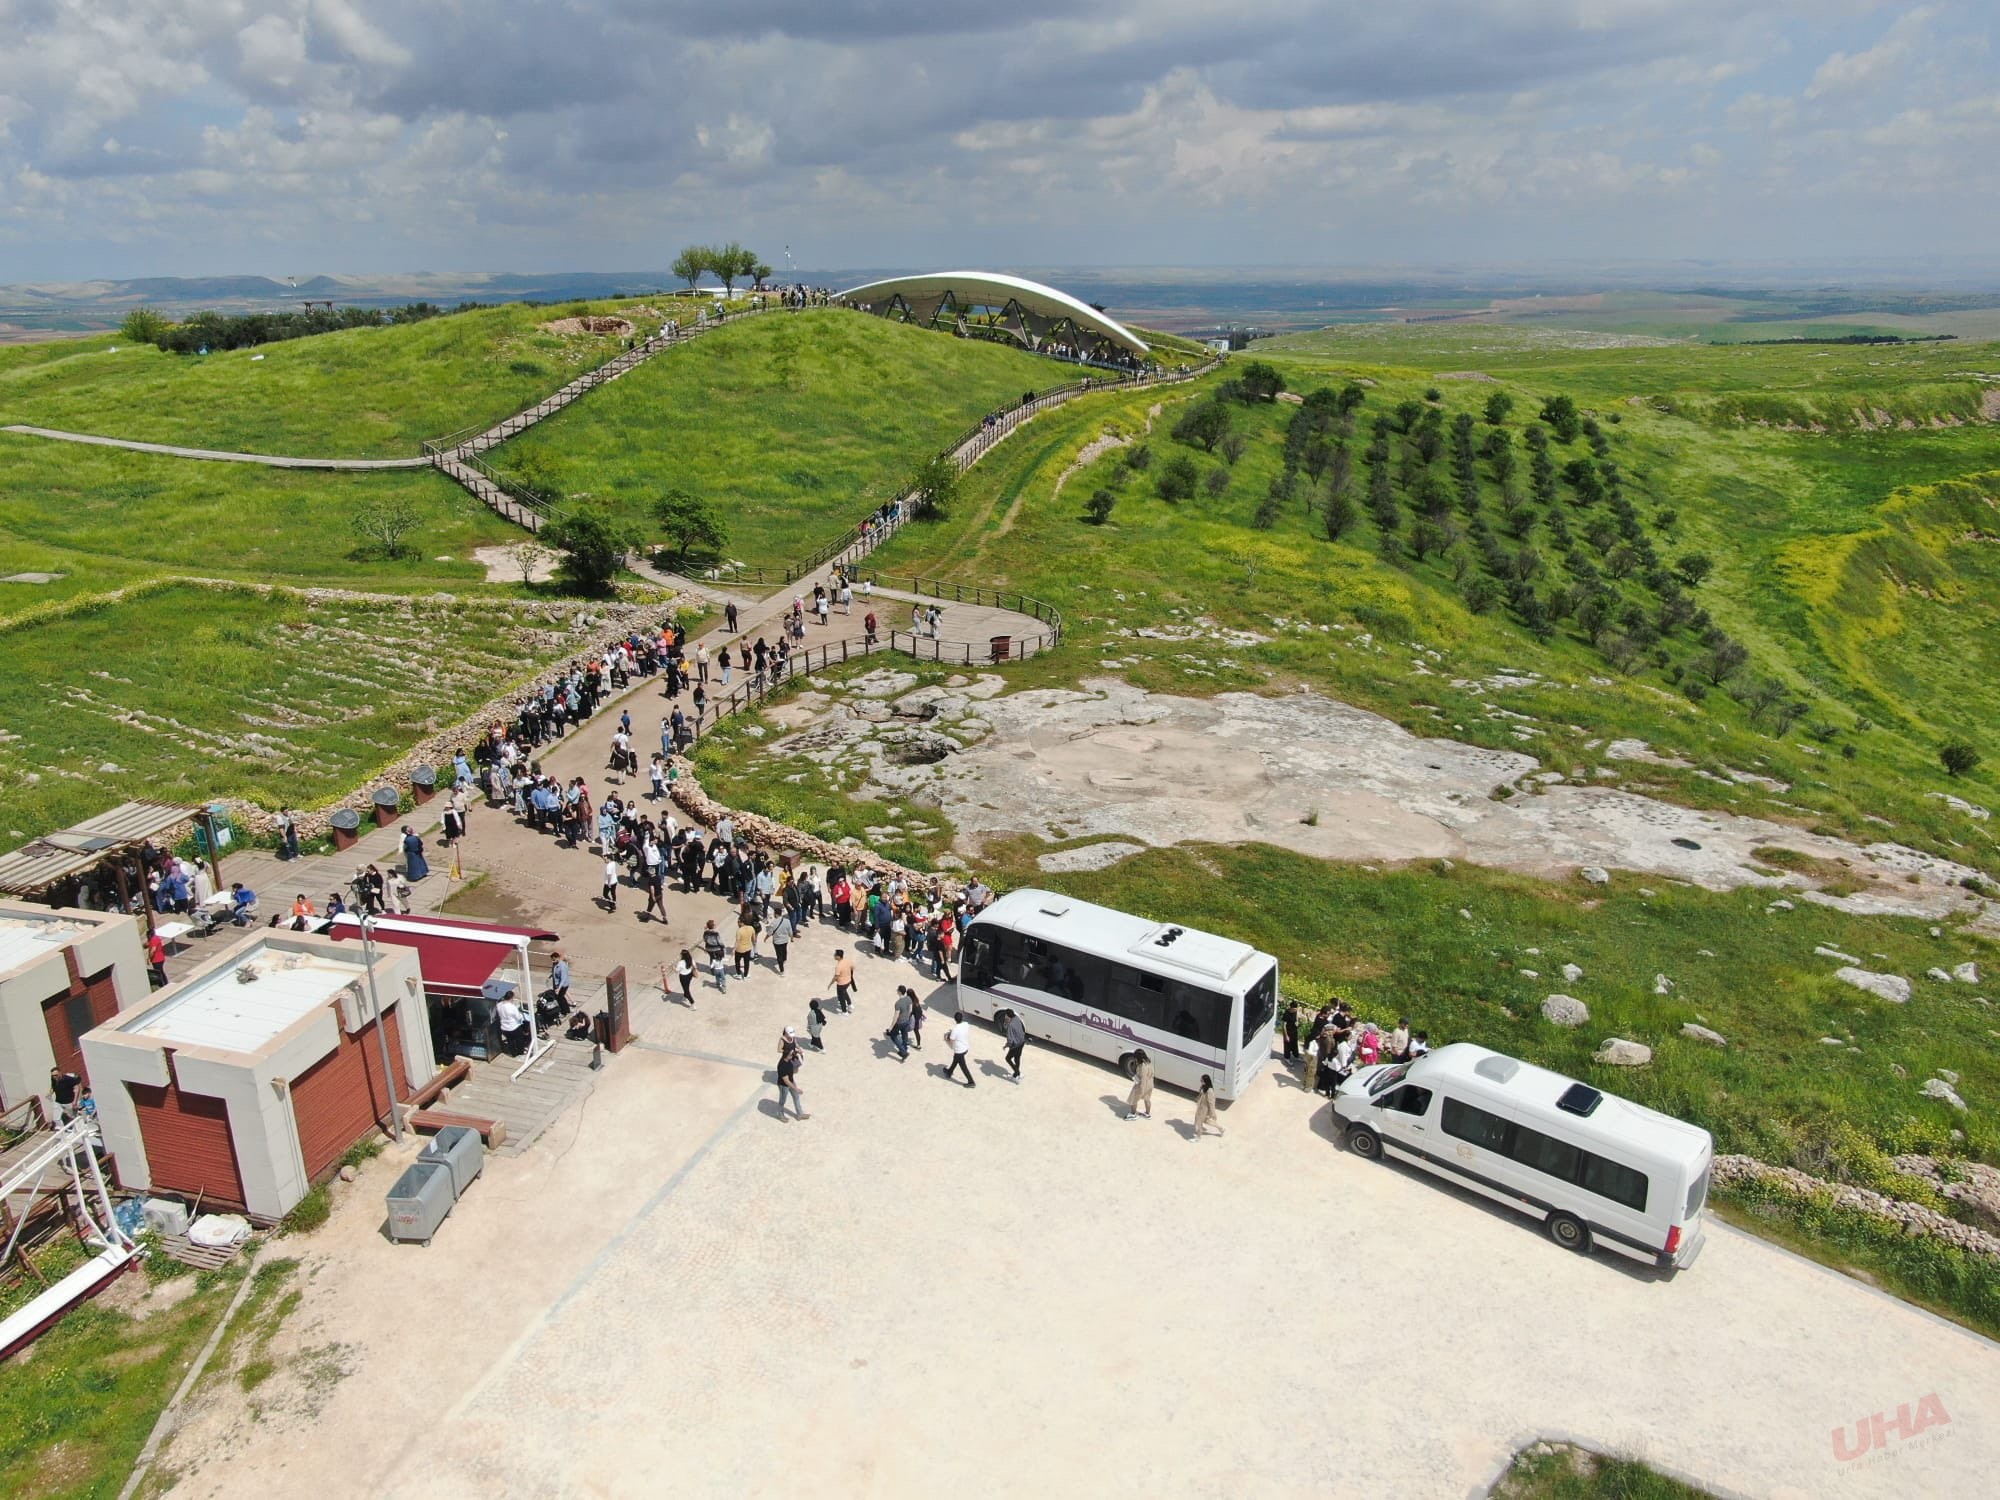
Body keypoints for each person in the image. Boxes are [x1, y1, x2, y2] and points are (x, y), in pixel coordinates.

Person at [776, 1030, 809, 1120]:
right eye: (791, 1055)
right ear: (786, 1056)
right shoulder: (782, 1066)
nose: (792, 1056)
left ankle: (800, 1114)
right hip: (784, 1085)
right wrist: (796, 1088)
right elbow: (786, 1081)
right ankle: (780, 1114)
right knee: (782, 1101)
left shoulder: (789, 1060)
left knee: (796, 1097)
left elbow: (793, 1072)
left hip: (790, 1081)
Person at [944, 1011, 975, 1087]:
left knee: (963, 1066)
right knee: (955, 1059)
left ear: (955, 1019)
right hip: (965, 1047)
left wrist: (946, 1038)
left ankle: (971, 1082)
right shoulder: (966, 1024)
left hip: (959, 1050)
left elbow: (951, 1040)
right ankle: (949, 1071)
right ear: (962, 1018)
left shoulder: (955, 1029)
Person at [1125, 1048, 1155, 1120]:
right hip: (1150, 1084)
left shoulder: (1142, 1066)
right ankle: (1147, 1114)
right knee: (1147, 1099)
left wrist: (1141, 1089)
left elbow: (1142, 1079)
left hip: (1142, 1085)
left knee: (1133, 1098)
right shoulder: (1148, 1061)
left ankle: (1133, 1114)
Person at [1193, 1075, 1224, 1141]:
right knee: (1206, 1121)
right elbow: (1201, 1095)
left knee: (1198, 1121)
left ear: (1206, 1081)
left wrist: (1213, 1113)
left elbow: (1211, 1103)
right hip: (1200, 1107)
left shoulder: (1210, 1091)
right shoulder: (1204, 1087)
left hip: (1204, 1109)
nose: (1200, 1082)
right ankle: (1221, 1129)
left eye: (1202, 1081)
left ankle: (1198, 1137)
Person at [702, 919, 728, 991]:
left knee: (711, 958)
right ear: (713, 926)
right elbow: (719, 941)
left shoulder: (705, 933)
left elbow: (704, 939)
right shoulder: (716, 933)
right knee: (717, 958)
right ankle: (719, 968)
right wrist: (723, 947)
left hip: (709, 948)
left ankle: (713, 970)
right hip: (716, 948)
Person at [888, 985, 913, 1061]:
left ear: (899, 992)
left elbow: (896, 1016)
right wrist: (907, 1018)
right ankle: (904, 1049)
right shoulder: (909, 998)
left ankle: (903, 1052)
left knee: (893, 1036)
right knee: (904, 1035)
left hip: (899, 1023)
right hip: (906, 1021)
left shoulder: (898, 1003)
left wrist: (890, 1027)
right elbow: (910, 1009)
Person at [1003, 1009, 1027, 1082]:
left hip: (1015, 1045)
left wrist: (1006, 1046)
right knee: (1017, 1058)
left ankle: (1018, 1073)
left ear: (1007, 1015)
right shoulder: (1017, 1018)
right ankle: (1016, 1075)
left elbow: (1010, 1040)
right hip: (1022, 1042)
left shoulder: (1010, 1025)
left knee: (1008, 1058)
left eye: (1005, 1014)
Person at [830, 948, 856, 1013]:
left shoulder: (838, 966)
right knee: (844, 992)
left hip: (841, 984)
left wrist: (830, 983)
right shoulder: (848, 961)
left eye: (835, 955)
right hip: (848, 981)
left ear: (838, 956)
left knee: (841, 998)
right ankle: (850, 1004)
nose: (834, 955)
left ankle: (844, 1012)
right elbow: (853, 967)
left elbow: (836, 976)